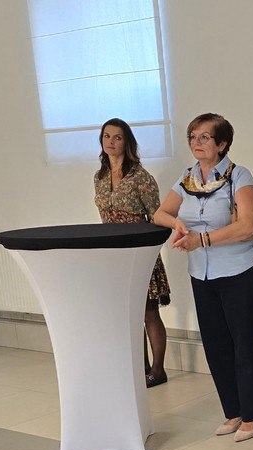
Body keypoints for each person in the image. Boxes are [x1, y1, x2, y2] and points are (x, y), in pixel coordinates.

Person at [152, 114, 253, 441]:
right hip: (201, 274)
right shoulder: (187, 179)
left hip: (238, 271)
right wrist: (177, 225)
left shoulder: (239, 176)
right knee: (216, 345)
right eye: (192, 137)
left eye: (204, 137)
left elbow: (249, 225)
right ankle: (233, 411)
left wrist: (201, 239)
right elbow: (161, 213)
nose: (196, 143)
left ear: (222, 143)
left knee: (245, 344)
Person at [94, 118, 171, 388]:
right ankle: (141, 368)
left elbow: (157, 217)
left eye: (117, 137)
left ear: (127, 142)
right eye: (107, 136)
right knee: (129, 315)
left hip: (140, 252)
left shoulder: (141, 177)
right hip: (114, 254)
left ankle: (157, 371)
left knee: (149, 312)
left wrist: (148, 251)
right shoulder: (99, 177)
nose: (111, 142)